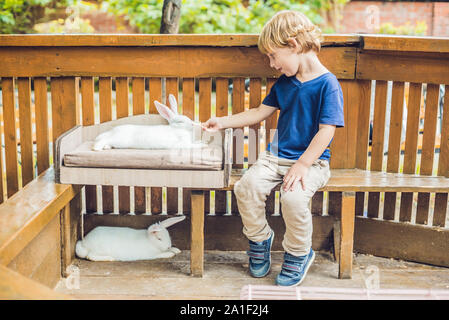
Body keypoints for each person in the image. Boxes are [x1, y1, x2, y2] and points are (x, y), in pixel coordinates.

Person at [202, 10, 344, 286]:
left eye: (272, 55)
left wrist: (302, 165)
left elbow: (327, 131)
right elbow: (258, 112)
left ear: (293, 45)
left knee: (292, 199)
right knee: (246, 187)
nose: (270, 63)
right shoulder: (285, 83)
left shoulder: (328, 85)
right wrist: (221, 122)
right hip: (275, 157)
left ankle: (299, 253)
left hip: (311, 163)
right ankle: (260, 238)